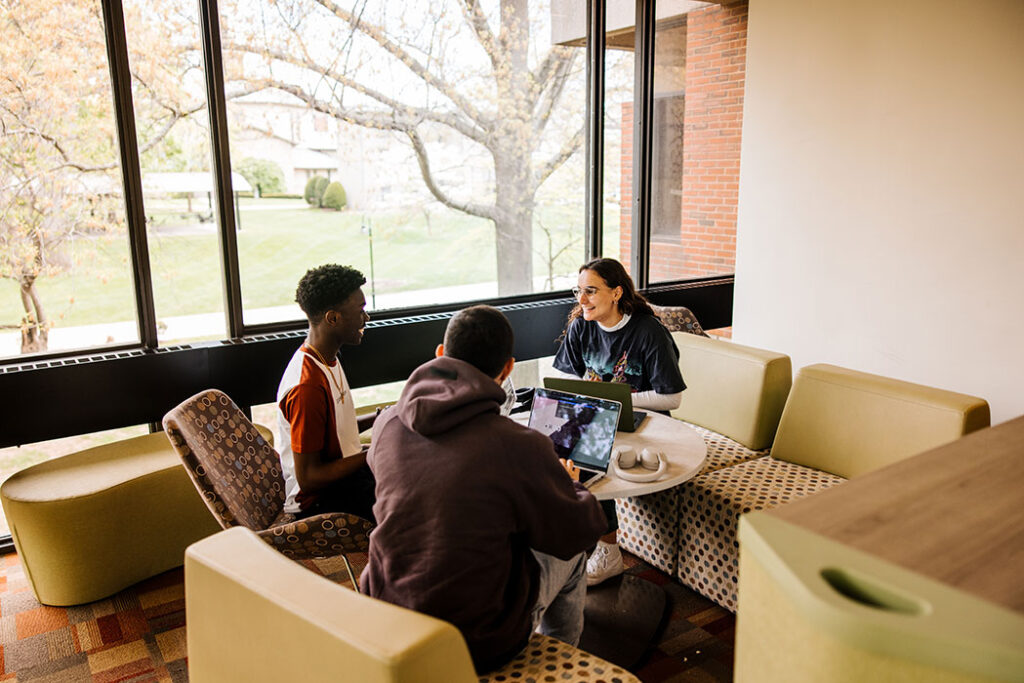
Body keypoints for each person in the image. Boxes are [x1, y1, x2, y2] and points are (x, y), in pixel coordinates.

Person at [361, 305, 606, 673]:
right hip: (477, 638)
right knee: (570, 556)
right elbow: (579, 532)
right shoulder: (518, 444)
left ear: (441, 354)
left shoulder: (388, 423)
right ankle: (555, 667)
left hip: (387, 609)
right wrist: (570, 486)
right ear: (508, 368)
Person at [552, 257, 686, 586]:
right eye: (579, 291)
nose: (582, 300)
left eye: (591, 292)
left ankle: (609, 553)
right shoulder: (580, 326)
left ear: (616, 293)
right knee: (547, 448)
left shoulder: (648, 332)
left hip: (646, 422)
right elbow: (562, 378)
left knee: (589, 454)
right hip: (599, 417)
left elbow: (672, 398)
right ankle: (566, 541)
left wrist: (615, 399)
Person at [275, 264, 377, 522]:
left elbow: (332, 434)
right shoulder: (307, 387)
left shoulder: (325, 357)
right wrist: (374, 453)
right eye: (361, 309)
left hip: (341, 482)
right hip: (318, 502)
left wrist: (378, 419)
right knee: (417, 497)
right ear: (333, 318)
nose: (366, 318)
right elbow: (309, 479)